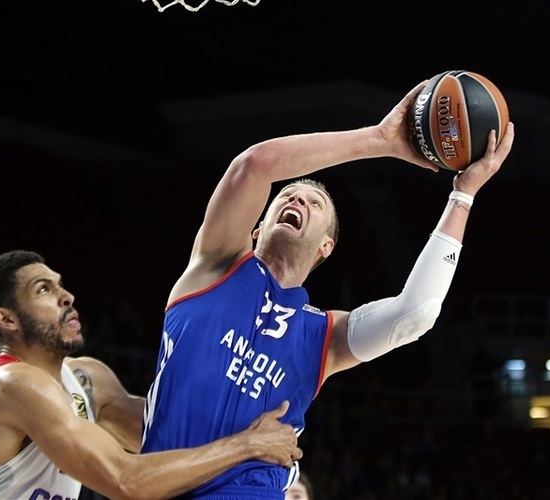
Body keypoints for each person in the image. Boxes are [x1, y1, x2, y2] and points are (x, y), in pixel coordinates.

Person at [140, 81, 515, 498]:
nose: (298, 201)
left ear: (326, 246)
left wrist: (462, 196)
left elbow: (415, 314)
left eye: (313, 203)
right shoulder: (215, 268)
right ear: (257, 227)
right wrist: (378, 140)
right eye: (288, 195)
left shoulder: (322, 337)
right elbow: (255, 165)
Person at [0, 250, 302, 500]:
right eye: (44, 289)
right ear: (6, 320)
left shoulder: (90, 381)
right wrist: (249, 446)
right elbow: (127, 481)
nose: (66, 295)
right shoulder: (12, 386)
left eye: (59, 283)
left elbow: (172, 438)